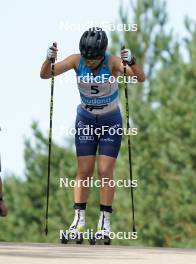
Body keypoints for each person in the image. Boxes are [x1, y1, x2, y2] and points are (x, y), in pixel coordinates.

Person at [40, 27, 145, 239]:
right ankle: (78, 222)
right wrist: (48, 59)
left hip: (110, 121)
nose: (89, 62)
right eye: (86, 58)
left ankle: (104, 225)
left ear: (103, 54)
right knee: (84, 171)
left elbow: (139, 78)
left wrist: (132, 61)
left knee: (105, 171)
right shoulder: (75, 60)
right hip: (86, 120)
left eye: (94, 59)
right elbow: (45, 75)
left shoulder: (113, 62)